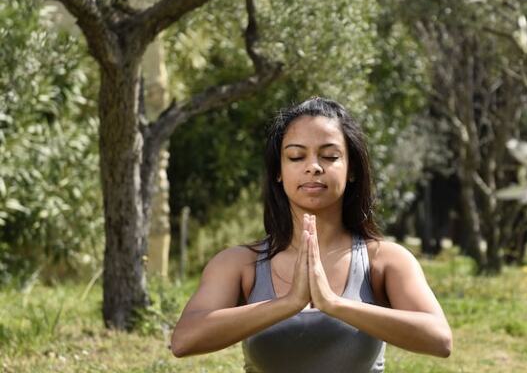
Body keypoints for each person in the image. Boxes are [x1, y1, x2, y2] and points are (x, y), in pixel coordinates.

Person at [170, 97, 452, 372]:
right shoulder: (239, 264)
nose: (313, 166)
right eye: (296, 156)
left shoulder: (385, 260)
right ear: (278, 171)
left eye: (329, 156)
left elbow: (439, 339)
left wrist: (333, 303)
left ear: (351, 168)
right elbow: (184, 340)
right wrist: (288, 303)